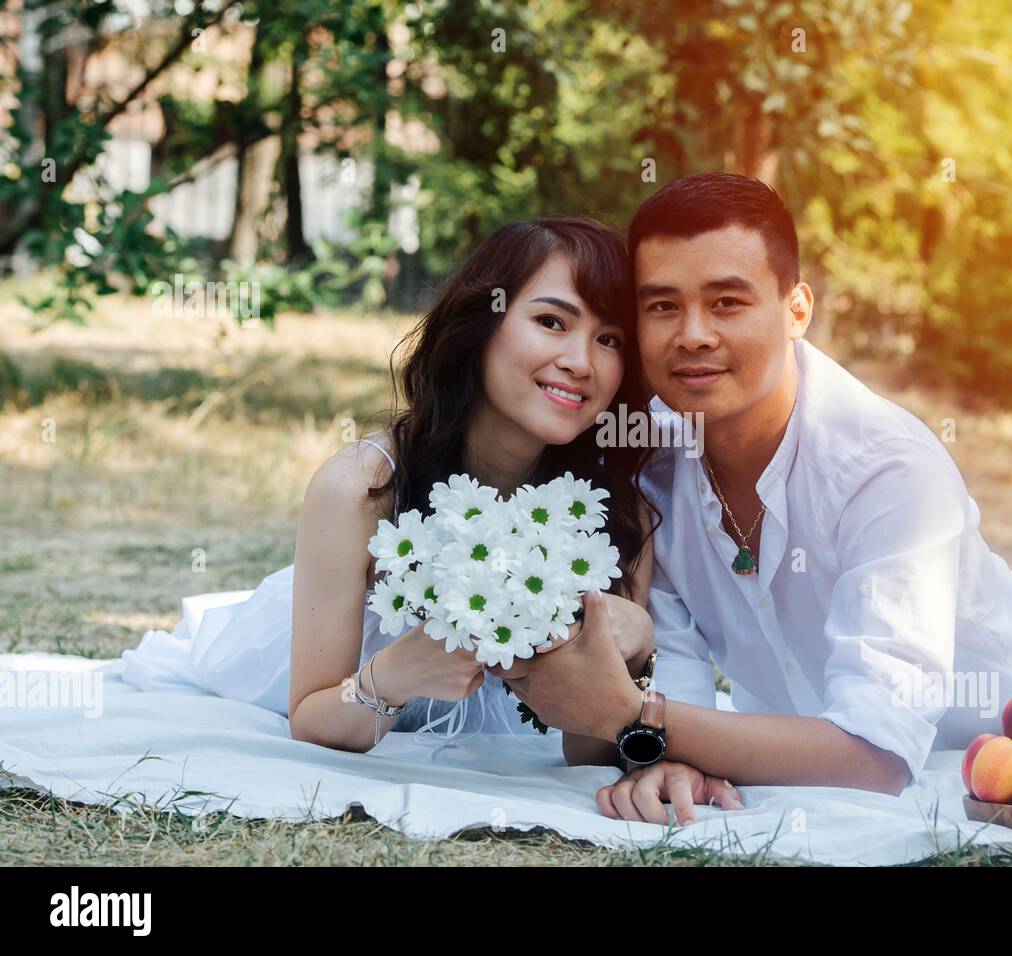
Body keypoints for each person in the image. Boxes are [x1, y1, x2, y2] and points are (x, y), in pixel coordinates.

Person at [492, 173, 1012, 825]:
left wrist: (637, 720)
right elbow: (680, 678)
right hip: (823, 716)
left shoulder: (886, 466)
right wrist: (668, 752)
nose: (692, 333)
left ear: (797, 310)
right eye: (661, 305)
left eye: (728, 302)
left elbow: (877, 759)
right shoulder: (651, 455)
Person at [122, 217, 657, 753]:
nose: (580, 362)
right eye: (551, 322)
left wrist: (633, 649)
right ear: (480, 324)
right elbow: (311, 721)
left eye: (608, 339)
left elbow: (588, 757)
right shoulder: (360, 487)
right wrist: (398, 673)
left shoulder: (617, 509)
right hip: (317, 684)